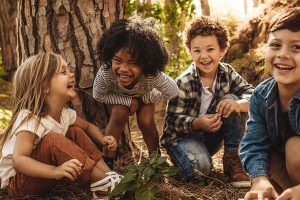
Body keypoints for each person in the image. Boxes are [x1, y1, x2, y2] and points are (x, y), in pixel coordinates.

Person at [239, 7, 300, 200]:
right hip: (286, 175)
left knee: (297, 149)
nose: (283, 54)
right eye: (275, 45)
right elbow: (254, 143)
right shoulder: (261, 95)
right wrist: (259, 180)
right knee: (264, 153)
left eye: (296, 47)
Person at [0, 53, 123, 199]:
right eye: (63, 72)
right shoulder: (31, 119)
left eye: (69, 71)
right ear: (44, 86)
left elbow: (88, 127)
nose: (71, 75)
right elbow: (19, 160)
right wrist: (54, 171)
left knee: (75, 132)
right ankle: (106, 185)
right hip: (17, 184)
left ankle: (108, 176)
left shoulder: (66, 114)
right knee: (54, 140)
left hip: (41, 177)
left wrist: (102, 139)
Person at [160, 15, 254, 187]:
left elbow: (253, 94)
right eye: (197, 50)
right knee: (200, 169)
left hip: (211, 137)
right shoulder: (184, 82)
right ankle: (189, 160)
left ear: (222, 50)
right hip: (182, 139)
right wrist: (197, 123)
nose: (204, 56)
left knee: (232, 100)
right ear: (190, 52)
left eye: (210, 49)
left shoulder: (227, 73)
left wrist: (239, 104)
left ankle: (232, 158)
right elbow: (172, 120)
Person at [93, 16, 179, 170]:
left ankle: (155, 161)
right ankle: (107, 164)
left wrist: (144, 98)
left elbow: (172, 91)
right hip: (118, 98)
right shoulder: (106, 72)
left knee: (146, 121)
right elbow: (98, 95)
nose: (124, 69)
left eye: (133, 63)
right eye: (118, 61)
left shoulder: (152, 75)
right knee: (119, 114)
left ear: (145, 63)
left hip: (144, 97)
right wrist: (127, 101)